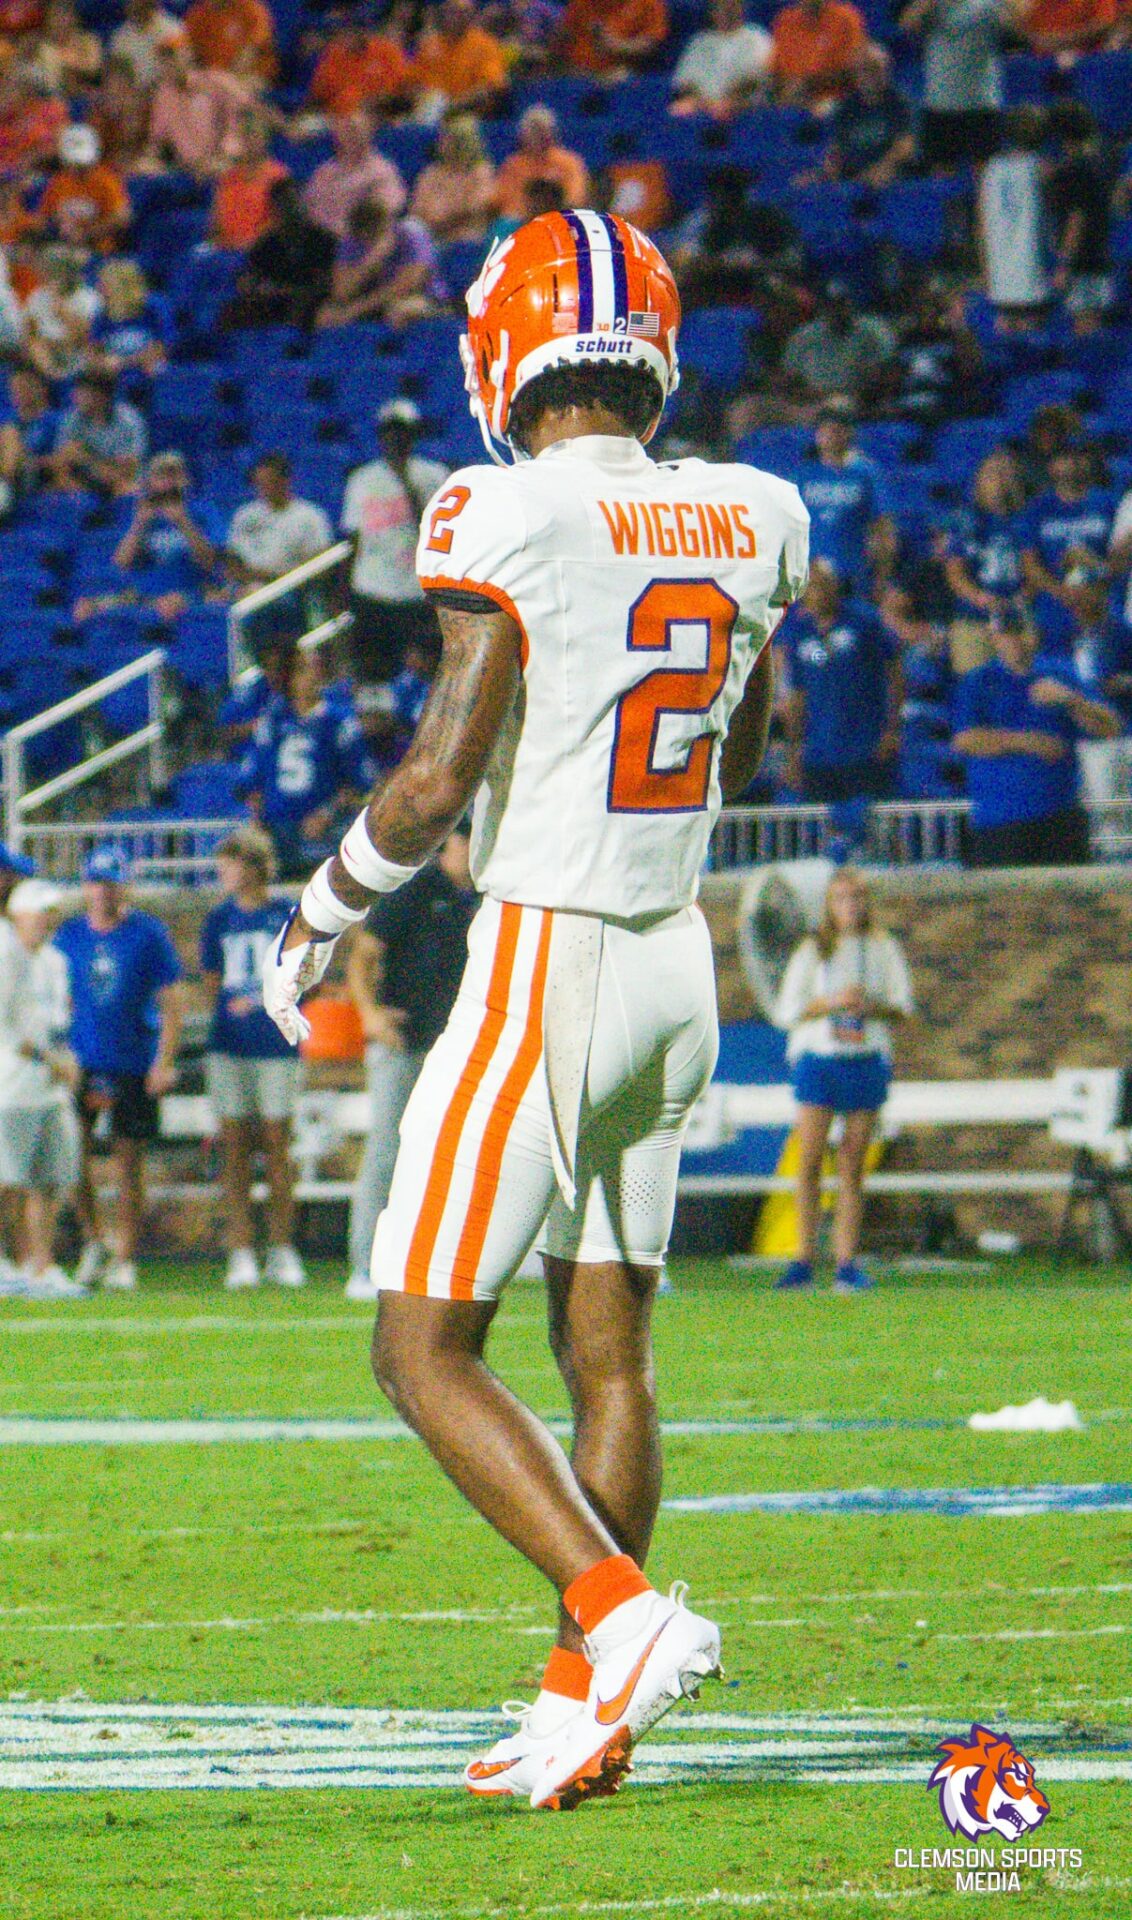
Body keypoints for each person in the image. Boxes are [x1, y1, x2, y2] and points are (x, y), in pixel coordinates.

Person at [262, 210, 809, 1813]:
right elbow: (741, 752)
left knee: (420, 1346)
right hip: (674, 960)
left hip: (550, 956)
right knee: (609, 1351)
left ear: (509, 353)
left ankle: (621, 1619)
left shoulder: (501, 506)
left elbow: (436, 778)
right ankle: (587, 1709)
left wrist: (319, 911)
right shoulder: (757, 510)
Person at [344, 821, 477, 1301]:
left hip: (457, 1045)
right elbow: (363, 955)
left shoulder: (483, 897)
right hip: (404, 1040)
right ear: (451, 844)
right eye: (469, 840)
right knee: (387, 1152)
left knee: (456, 1157)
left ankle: (441, 1263)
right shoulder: (415, 890)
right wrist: (369, 1014)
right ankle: (365, 1265)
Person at [773, 867, 912, 1293]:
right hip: (820, 1058)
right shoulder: (812, 949)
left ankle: (846, 1262)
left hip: (864, 1057)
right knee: (811, 1158)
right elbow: (787, 1010)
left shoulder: (882, 947)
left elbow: (902, 1005)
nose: (850, 905)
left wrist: (869, 1006)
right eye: (841, 898)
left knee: (853, 1162)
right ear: (829, 905)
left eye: (857, 897)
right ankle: (803, 1259)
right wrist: (831, 1002)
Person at [55, 846, 183, 1293]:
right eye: (96, 883)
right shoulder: (69, 935)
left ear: (123, 887)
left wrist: (164, 1059)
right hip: (82, 1060)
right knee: (73, 1155)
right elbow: (59, 996)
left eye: (111, 883)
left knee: (129, 1160)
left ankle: (125, 1252)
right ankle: (93, 1240)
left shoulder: (147, 934)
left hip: (132, 1058)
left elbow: (170, 1000)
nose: (103, 892)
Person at [200, 826, 305, 1292]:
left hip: (276, 1044)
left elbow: (304, 973)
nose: (224, 872)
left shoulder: (284, 916)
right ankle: (241, 1249)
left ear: (253, 865)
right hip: (231, 1045)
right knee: (235, 1148)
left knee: (278, 1147)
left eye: (232, 863)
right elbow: (211, 981)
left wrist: (266, 1003)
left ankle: (282, 1247)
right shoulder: (219, 919)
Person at [952, 606, 1120, 865]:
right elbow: (965, 739)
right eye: (1007, 634)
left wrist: (1071, 700)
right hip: (1000, 821)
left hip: (1059, 816)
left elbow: (1110, 727)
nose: (1015, 640)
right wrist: (1028, 742)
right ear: (994, 638)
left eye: (1021, 631)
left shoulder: (1061, 674)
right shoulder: (979, 681)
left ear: (1035, 634)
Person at [0, 877, 84, 1301]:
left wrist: (66, 1059)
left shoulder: (55, 961)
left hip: (50, 1085)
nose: (46, 921)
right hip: (12, 1082)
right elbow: (7, 1027)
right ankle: (6, 1261)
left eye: (50, 913)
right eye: (40, 913)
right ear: (19, 915)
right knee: (8, 1180)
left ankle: (41, 1264)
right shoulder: (5, 955)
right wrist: (50, 1059)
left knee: (51, 1178)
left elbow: (57, 1020)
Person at [235, 647, 376, 876]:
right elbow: (254, 779)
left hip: (324, 831)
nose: (310, 676)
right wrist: (258, 820)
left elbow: (359, 782)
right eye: (302, 670)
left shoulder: (338, 722)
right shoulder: (272, 721)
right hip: (276, 829)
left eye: (313, 669)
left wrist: (326, 814)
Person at [340, 397, 448, 685]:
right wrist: (345, 591)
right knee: (374, 674)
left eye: (402, 432)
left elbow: (439, 530)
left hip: (417, 592)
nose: (395, 439)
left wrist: (409, 487)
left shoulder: (433, 475)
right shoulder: (362, 479)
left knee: (422, 675)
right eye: (389, 432)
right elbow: (354, 537)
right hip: (372, 590)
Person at [779, 558, 902, 800]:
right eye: (811, 586)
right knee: (821, 820)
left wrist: (892, 729)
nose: (818, 592)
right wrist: (792, 752)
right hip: (818, 753)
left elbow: (895, 675)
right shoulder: (798, 634)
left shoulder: (865, 622)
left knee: (868, 816)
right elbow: (796, 696)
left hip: (866, 748)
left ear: (835, 585)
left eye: (824, 584)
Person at [794, 396, 894, 588]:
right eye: (825, 428)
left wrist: (882, 577)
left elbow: (883, 527)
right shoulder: (803, 475)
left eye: (838, 428)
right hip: (810, 576)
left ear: (849, 432)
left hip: (853, 576)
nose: (831, 434)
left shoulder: (866, 473)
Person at [901, 0, 1009, 170]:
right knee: (941, 177)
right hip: (940, 105)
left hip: (981, 105)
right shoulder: (933, 7)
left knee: (986, 174)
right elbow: (907, 25)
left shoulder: (987, 5)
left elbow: (1013, 28)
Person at [223, 177, 337, 331]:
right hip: (272, 301)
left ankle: (293, 344)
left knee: (302, 307)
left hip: (308, 301)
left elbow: (327, 284)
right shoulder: (266, 243)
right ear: (274, 208)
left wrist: (287, 291)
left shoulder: (324, 240)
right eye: (283, 203)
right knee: (233, 312)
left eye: (294, 201)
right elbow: (250, 278)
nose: (291, 208)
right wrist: (251, 285)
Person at [315, 196, 444, 330]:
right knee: (325, 315)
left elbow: (407, 285)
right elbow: (341, 293)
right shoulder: (352, 239)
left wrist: (355, 309)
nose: (366, 240)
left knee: (399, 311)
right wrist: (372, 259)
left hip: (423, 298)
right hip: (370, 301)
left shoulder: (413, 232)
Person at [978, 106, 1050, 330]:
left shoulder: (991, 169)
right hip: (1030, 269)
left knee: (1006, 327)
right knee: (1029, 331)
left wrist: (984, 265)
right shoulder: (1041, 169)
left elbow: (981, 224)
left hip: (1001, 270)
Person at [1047, 103, 1114, 337]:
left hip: (1083, 264)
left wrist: (1064, 264)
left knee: (1085, 330)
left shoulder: (1075, 170)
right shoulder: (1101, 162)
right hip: (1100, 258)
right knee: (1093, 328)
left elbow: (1076, 219)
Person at [779, 279, 896, 415]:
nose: (837, 311)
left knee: (837, 406)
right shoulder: (804, 335)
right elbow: (789, 377)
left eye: (842, 304)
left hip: (853, 402)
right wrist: (805, 396)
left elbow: (882, 374)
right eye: (832, 305)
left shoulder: (872, 332)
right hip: (807, 402)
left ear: (851, 304)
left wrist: (860, 396)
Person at [143, 40, 251, 179]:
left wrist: (222, 157)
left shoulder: (218, 81)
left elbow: (244, 117)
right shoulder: (162, 95)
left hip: (226, 164)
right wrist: (148, 159)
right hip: (188, 170)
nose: (168, 64)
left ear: (187, 56)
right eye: (163, 60)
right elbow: (157, 139)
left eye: (172, 57)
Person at [227, 452, 332, 587]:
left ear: (285, 481)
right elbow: (232, 557)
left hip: (290, 589)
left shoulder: (311, 516)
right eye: (260, 483)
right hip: (246, 589)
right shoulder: (244, 514)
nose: (264, 488)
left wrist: (270, 577)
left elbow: (319, 565)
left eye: (270, 481)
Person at [303, 109, 406, 244]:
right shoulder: (325, 171)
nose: (350, 136)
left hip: (356, 242)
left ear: (369, 133)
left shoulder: (382, 172)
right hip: (317, 240)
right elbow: (309, 207)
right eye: (345, 130)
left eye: (355, 130)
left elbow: (386, 212)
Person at [820, 44, 914, 185]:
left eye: (875, 69)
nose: (870, 75)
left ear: (886, 71)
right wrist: (828, 170)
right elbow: (836, 147)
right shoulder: (847, 107)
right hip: (853, 176)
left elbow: (906, 146)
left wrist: (882, 168)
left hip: (891, 177)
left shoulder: (900, 103)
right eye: (864, 69)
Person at [37, 123, 130, 254]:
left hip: (98, 250)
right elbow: (45, 216)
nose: (79, 169)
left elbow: (122, 218)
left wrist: (87, 234)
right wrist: (59, 226)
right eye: (74, 164)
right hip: (63, 246)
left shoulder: (107, 181)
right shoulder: (59, 181)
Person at [670, 0, 771, 118]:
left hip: (739, 106)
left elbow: (754, 79)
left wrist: (727, 101)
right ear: (712, 12)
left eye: (732, 6)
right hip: (699, 105)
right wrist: (701, 102)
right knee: (677, 111)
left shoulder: (756, 38)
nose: (727, 10)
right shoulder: (699, 41)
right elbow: (684, 81)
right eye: (720, 6)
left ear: (741, 9)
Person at [54, 369, 147, 496]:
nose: (75, 397)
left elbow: (129, 469)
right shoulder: (72, 419)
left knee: (127, 489)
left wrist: (87, 458)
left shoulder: (129, 421)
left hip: (120, 482)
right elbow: (60, 461)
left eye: (82, 393)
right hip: (85, 480)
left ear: (100, 396)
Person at [411, 0, 509, 118]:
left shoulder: (486, 45)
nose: (456, 16)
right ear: (443, 13)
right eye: (452, 11)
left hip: (465, 114)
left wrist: (452, 106)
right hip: (427, 109)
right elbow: (413, 83)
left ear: (471, 15)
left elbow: (491, 87)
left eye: (463, 12)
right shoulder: (429, 44)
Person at [410, 113, 497, 244]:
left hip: (464, 236)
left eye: (447, 140)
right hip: (429, 234)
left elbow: (475, 209)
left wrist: (443, 222)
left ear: (463, 143)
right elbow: (416, 208)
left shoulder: (481, 172)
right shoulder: (431, 171)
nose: (440, 144)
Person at [492, 106, 587, 225]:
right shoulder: (513, 165)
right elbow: (503, 202)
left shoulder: (570, 163)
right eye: (533, 130)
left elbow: (575, 199)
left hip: (558, 221)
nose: (538, 136)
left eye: (542, 130)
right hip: (519, 222)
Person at [306, 17, 412, 120]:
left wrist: (375, 101)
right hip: (338, 116)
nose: (347, 37)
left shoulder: (386, 51)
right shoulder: (333, 56)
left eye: (352, 32)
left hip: (381, 113)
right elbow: (319, 93)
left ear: (363, 32)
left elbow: (402, 86)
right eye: (344, 33)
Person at [210, 112, 289, 250]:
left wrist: (250, 244)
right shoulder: (227, 177)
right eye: (245, 136)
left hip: (262, 251)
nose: (250, 142)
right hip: (226, 250)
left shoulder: (278, 176)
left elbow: (281, 223)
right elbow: (215, 225)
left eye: (255, 136)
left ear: (265, 139)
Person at [769, 0, 867, 112]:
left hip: (834, 99)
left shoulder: (845, 17)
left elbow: (853, 70)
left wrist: (808, 83)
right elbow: (778, 71)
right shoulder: (785, 20)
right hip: (793, 100)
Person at [554, 0, 669, 76]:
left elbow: (649, 43)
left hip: (620, 72)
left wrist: (616, 45)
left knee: (621, 76)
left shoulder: (649, 3)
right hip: (576, 72)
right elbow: (563, 37)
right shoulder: (581, 3)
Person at [183, 0, 277, 84]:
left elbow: (250, 53)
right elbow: (188, 51)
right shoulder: (198, 13)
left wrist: (226, 79)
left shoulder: (252, 9)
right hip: (210, 75)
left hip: (250, 75)